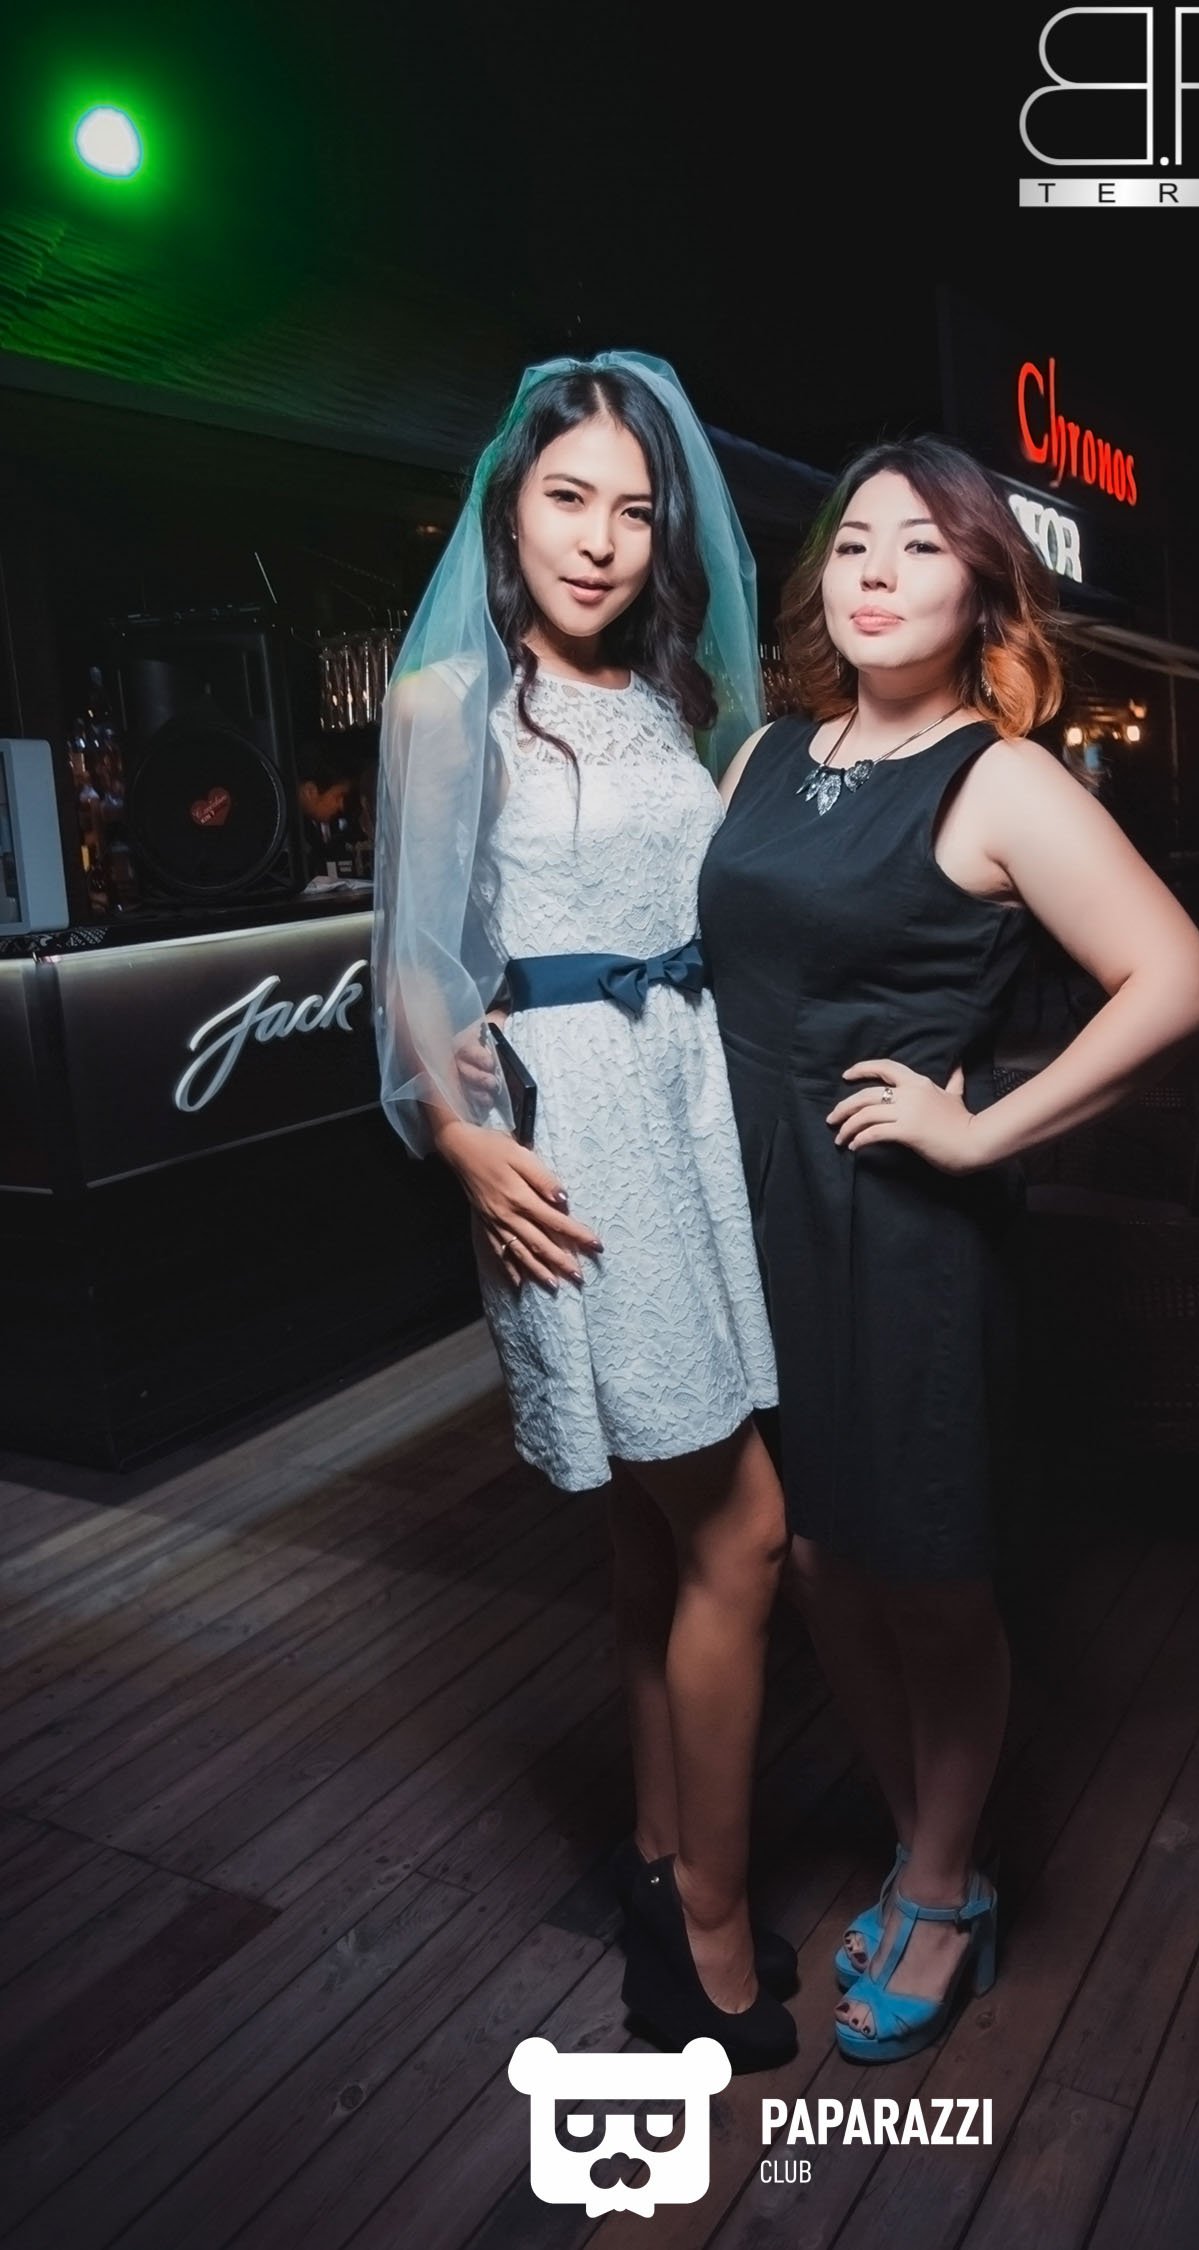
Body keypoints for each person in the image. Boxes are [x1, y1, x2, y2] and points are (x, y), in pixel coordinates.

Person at [699, 435, 1199, 2064]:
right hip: (757, 1209)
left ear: (983, 592)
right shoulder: (763, 754)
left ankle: (940, 1885)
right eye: (856, 542)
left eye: (922, 547)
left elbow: (1180, 980)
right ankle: (918, 1840)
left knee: (924, 1573)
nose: (877, 572)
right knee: (811, 1557)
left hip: (902, 1229)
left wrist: (985, 1130)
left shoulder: (999, 778)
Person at [372, 354, 795, 2072]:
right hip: (578, 1134)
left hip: (691, 1101)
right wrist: (460, 1138)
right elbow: (411, 952)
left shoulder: (681, 695)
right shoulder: (444, 703)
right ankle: (709, 1930)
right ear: (510, 507)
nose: (601, 539)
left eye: (632, 507)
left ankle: (655, 1856)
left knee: (652, 1537)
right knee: (742, 1531)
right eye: (568, 499)